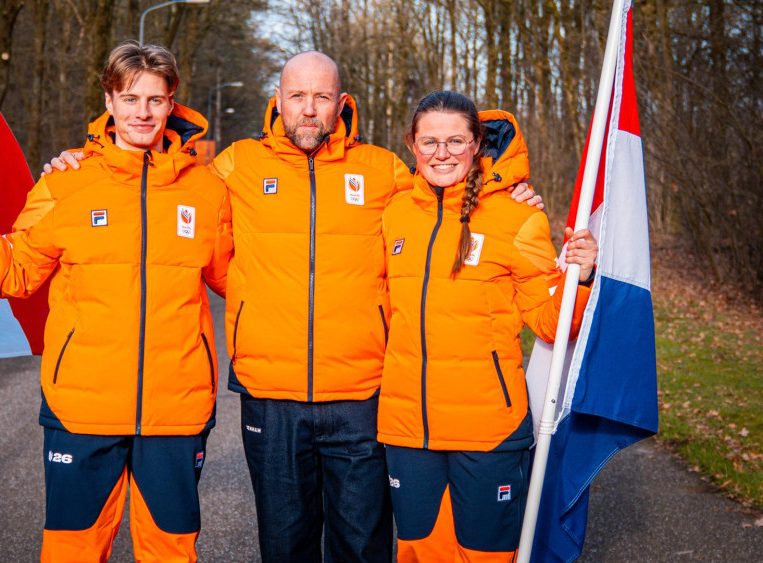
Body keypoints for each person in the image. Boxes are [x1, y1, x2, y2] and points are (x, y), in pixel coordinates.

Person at [47, 51, 543, 563]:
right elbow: (160, 188)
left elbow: (444, 192)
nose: (309, 109)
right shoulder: (234, 165)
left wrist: (507, 186)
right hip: (270, 393)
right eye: (298, 96)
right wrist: (84, 159)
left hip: (363, 394)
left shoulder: (383, 171)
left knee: (361, 544)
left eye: (322, 96)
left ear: (341, 104)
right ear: (278, 101)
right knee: (285, 544)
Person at [0, 42, 231, 563]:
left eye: (155, 100)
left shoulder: (206, 190)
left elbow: (241, 279)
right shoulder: (65, 182)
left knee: (172, 551)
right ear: (109, 100)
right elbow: (14, 272)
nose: (143, 112)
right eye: (131, 97)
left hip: (176, 409)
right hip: (82, 408)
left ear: (172, 104)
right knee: (73, 552)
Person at [378, 90, 598, 562]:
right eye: (429, 141)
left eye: (456, 141)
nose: (442, 153)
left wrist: (582, 279)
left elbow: (549, 324)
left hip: (488, 432)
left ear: (477, 143)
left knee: (486, 555)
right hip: (407, 430)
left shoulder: (518, 216)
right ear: (411, 145)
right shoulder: (393, 213)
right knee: (417, 553)